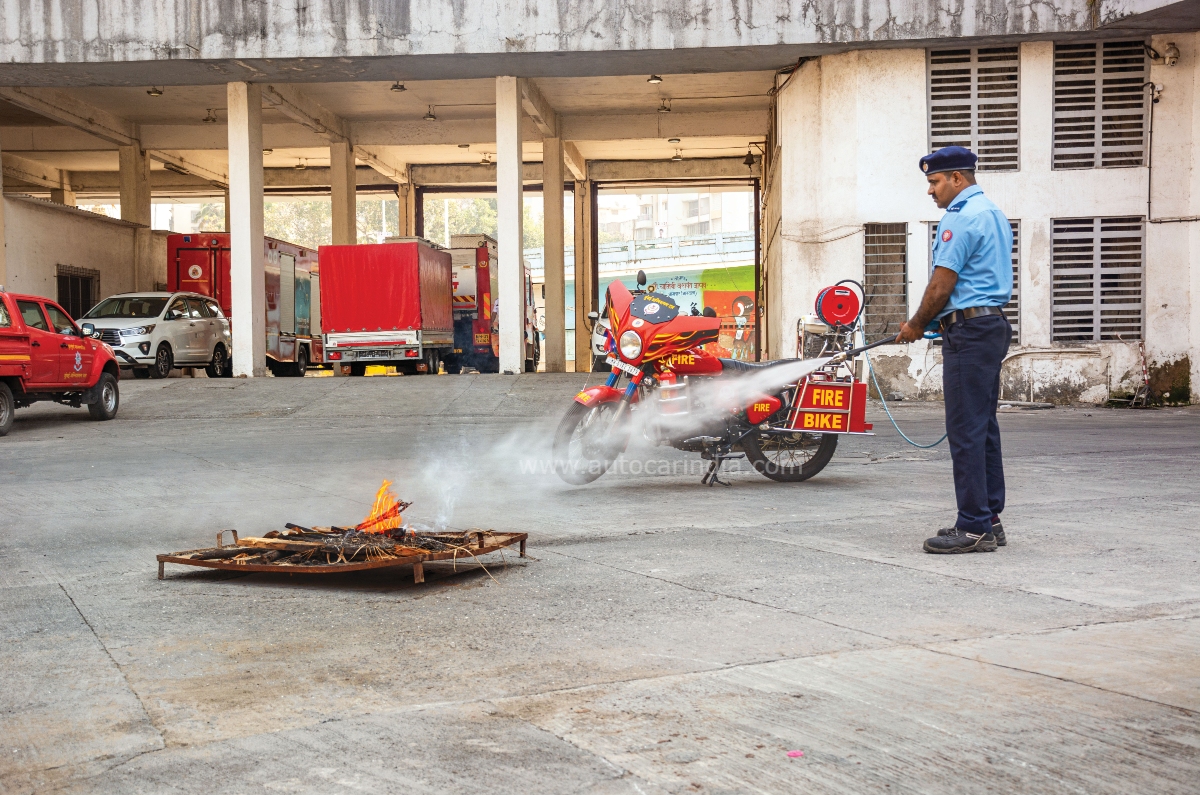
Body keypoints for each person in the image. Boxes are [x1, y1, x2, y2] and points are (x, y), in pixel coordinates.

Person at [896, 146, 1013, 554]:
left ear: (957, 179)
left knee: (965, 430)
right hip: (990, 325)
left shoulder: (960, 220)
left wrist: (915, 324)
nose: (931, 191)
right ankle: (989, 518)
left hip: (970, 332)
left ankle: (974, 526)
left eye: (934, 182)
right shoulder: (993, 213)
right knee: (983, 430)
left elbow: (941, 285)